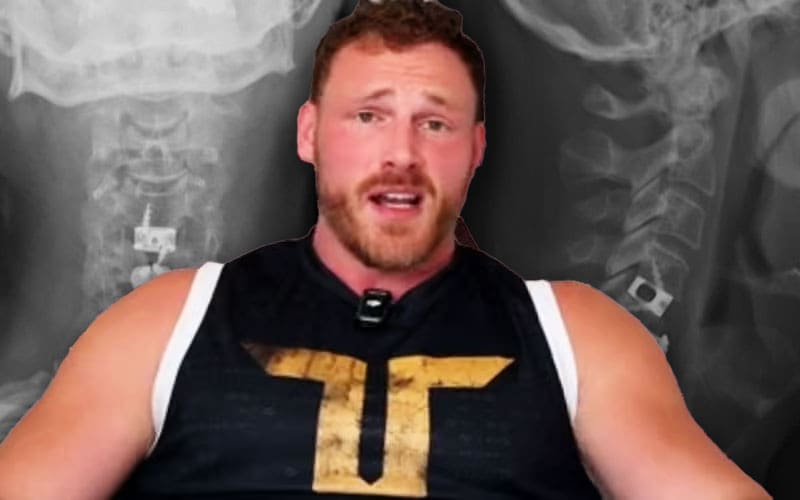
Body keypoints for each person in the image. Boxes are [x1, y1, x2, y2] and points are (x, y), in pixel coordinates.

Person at [0, 1, 771, 498]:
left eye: (434, 123)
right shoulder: (165, 322)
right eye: (368, 117)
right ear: (309, 135)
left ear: (476, 150)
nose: (401, 153)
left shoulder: (579, 335)